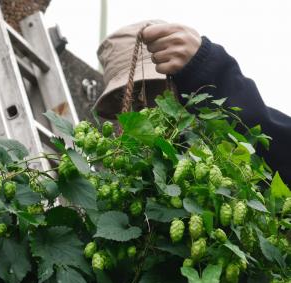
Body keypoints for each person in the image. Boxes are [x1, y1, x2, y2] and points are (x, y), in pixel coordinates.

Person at [94, 21, 291, 183]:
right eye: (127, 98)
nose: (143, 105)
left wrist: (207, 70)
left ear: (179, 84)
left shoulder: (221, 146)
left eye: (151, 89)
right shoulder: (126, 176)